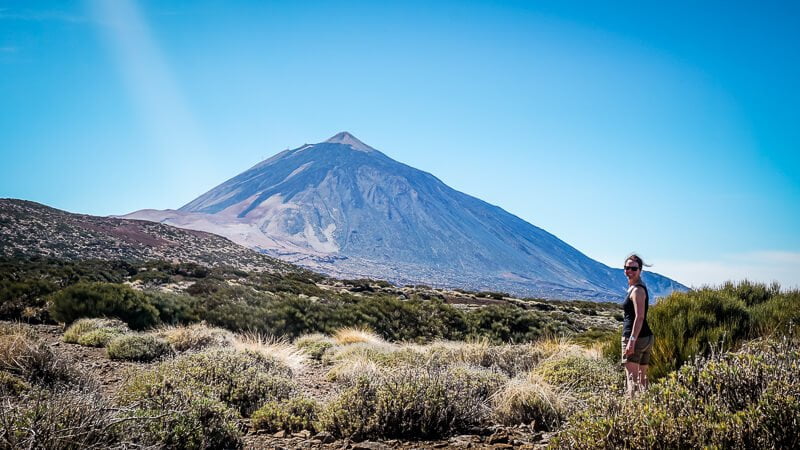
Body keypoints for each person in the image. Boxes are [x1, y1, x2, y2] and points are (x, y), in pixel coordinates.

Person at [621, 253, 654, 396]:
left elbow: (640, 317)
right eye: (627, 268)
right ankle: (646, 410)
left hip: (635, 339)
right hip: (646, 338)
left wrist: (631, 341)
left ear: (640, 270)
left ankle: (631, 412)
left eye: (634, 268)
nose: (630, 271)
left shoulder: (637, 290)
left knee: (632, 381)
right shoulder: (637, 287)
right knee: (642, 382)